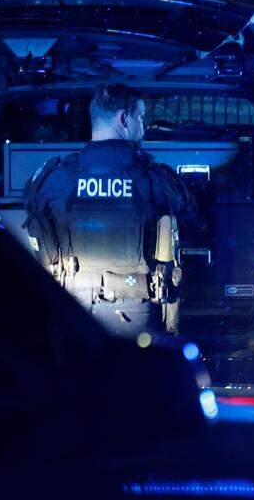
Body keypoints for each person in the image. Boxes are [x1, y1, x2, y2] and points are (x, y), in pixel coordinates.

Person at [24, 83, 195, 337]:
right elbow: (189, 213)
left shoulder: (55, 177)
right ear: (124, 119)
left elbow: (35, 217)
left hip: (72, 309)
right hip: (136, 312)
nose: (144, 126)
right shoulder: (154, 179)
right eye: (141, 116)